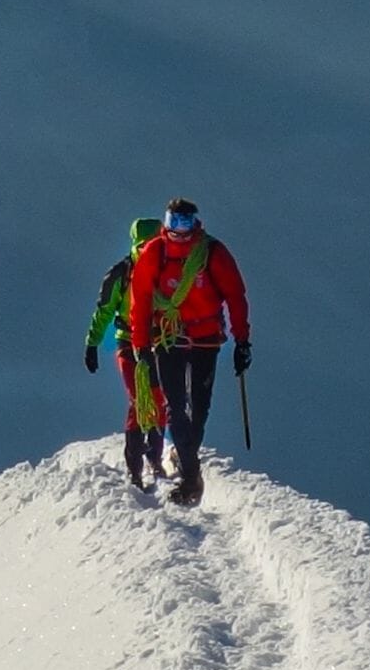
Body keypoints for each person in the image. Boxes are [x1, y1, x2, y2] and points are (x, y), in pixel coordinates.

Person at [126, 197, 249, 506]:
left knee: (199, 406)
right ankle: (191, 476)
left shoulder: (212, 253)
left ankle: (185, 460)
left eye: (185, 222)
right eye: (174, 223)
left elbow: (235, 295)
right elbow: (140, 302)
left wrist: (242, 339)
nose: (180, 231)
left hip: (205, 337)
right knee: (176, 406)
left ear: (196, 222)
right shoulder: (155, 253)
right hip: (170, 338)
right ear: (166, 223)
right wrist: (140, 344)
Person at [78, 215, 162, 493]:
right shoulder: (125, 273)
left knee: (157, 399)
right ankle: (138, 466)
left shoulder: (165, 269)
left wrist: (93, 344)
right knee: (143, 399)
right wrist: (92, 343)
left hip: (158, 340)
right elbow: (104, 310)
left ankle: (151, 458)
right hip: (132, 340)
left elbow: (103, 310)